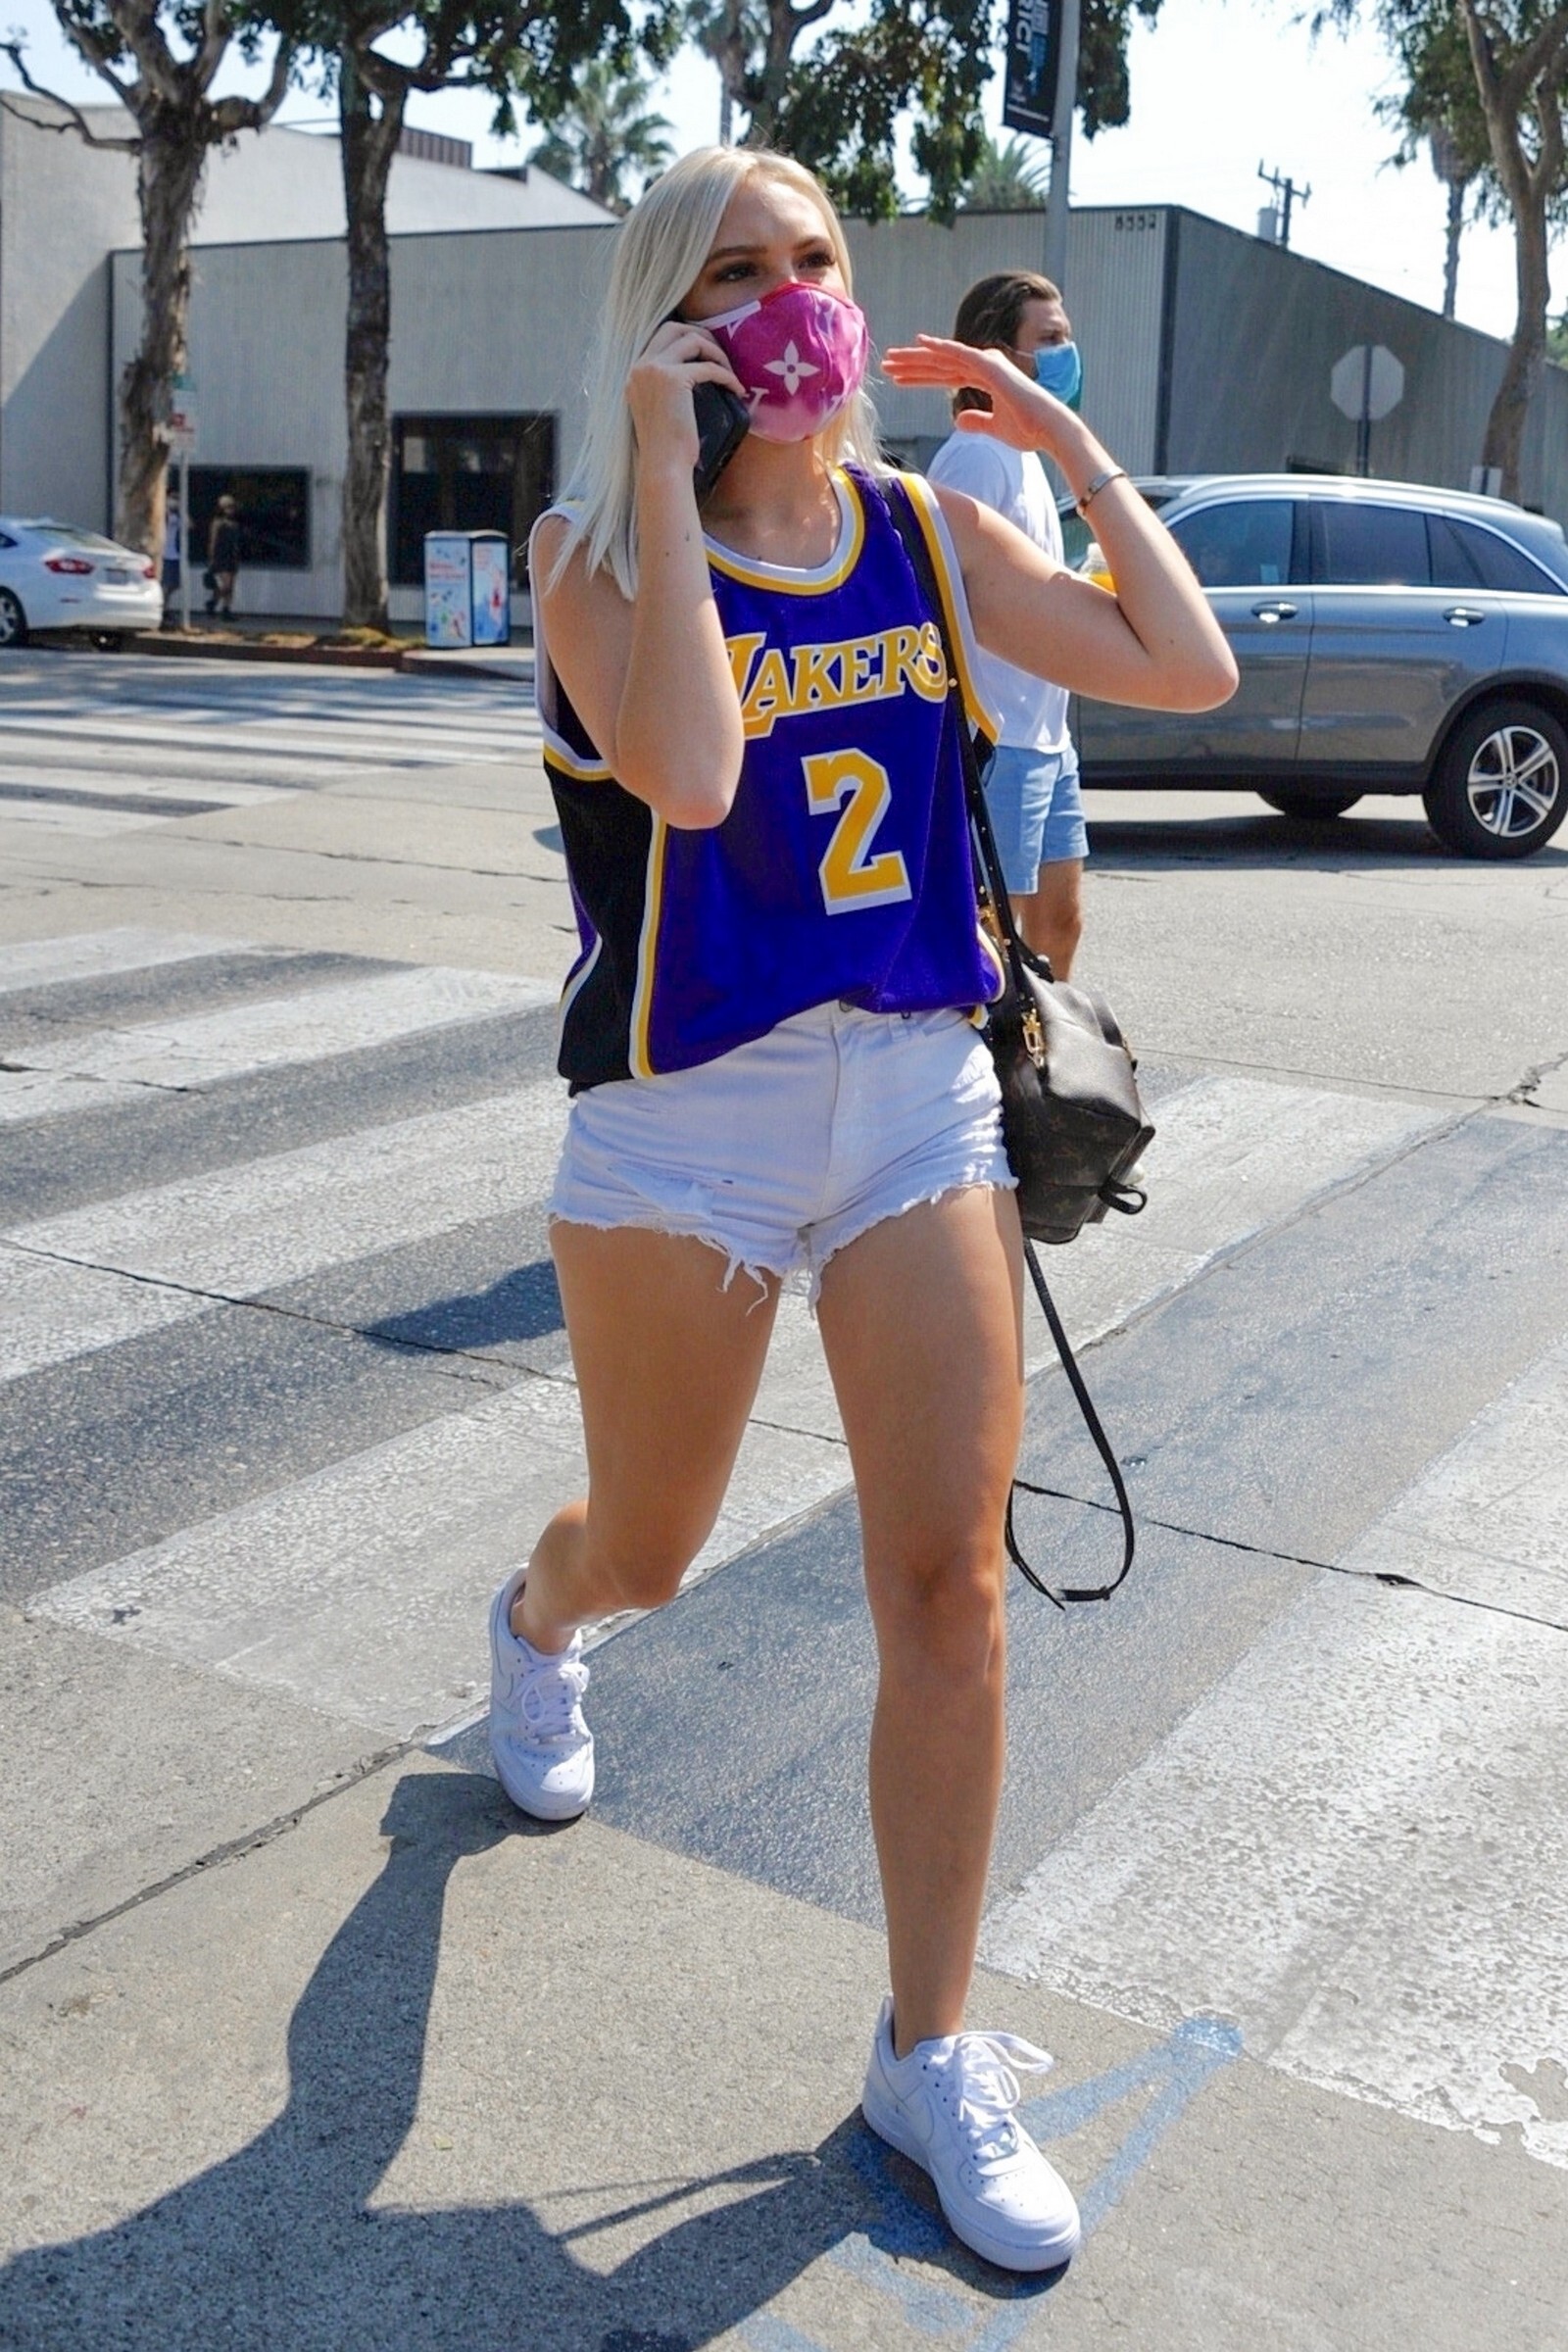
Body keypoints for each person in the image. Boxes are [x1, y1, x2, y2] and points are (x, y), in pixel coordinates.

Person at [488, 146, 1234, 2276]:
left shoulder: (921, 531)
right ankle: (538, 1628)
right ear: (667, 321)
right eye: (732, 275)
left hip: (915, 1098)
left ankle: (927, 2049)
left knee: (945, 1590)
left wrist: (1059, 446)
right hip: (684, 1130)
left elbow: (1179, 667)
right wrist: (668, 464)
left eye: (809, 261)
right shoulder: (585, 554)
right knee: (648, 1549)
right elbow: (694, 776)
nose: (787, 300)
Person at [927, 271, 1088, 979]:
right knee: (993, 940)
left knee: (1060, 924)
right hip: (1001, 737)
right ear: (996, 354)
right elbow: (947, 592)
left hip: (1049, 735)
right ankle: (998, 1047)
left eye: (1066, 337)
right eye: (1049, 339)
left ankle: (1052, 1042)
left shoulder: (1023, 456)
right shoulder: (974, 454)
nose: (1066, 354)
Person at [206, 493, 239, 616]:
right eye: (228, 507)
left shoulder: (234, 524)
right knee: (225, 585)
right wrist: (211, 557)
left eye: (232, 507)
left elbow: (235, 542)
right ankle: (214, 603)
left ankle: (226, 608)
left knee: (231, 585)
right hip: (221, 555)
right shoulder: (217, 523)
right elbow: (213, 540)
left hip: (232, 556)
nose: (230, 510)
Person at [161, 492, 182, 629]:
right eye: (173, 498)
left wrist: (182, 510)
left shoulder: (177, 515)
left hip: (174, 554)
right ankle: (162, 609)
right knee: (166, 584)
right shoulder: (164, 514)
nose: (175, 501)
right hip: (165, 554)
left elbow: (189, 525)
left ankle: (166, 606)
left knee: (174, 585)